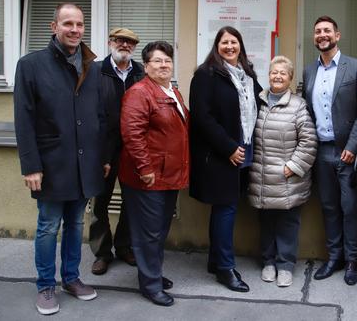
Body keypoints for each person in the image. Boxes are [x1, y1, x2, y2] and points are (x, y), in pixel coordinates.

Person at [14, 3, 105, 315]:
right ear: (54, 27)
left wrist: (102, 158)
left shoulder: (92, 66)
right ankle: (45, 286)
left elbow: (99, 116)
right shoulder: (31, 65)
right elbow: (23, 120)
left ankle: (71, 278)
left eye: (79, 24)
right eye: (68, 23)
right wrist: (31, 165)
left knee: (76, 223)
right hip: (51, 164)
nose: (75, 30)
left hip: (84, 165)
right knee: (48, 226)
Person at [190, 26, 261, 293]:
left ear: (240, 45)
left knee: (225, 208)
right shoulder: (206, 74)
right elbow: (202, 117)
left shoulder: (247, 75)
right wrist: (229, 147)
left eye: (234, 42)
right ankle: (225, 268)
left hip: (242, 149)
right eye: (224, 42)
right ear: (216, 46)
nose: (229, 47)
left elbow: (261, 100)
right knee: (226, 208)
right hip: (221, 154)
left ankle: (214, 260)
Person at [119, 41, 190, 307]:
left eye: (167, 61)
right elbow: (132, 134)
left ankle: (154, 274)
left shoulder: (173, 92)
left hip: (168, 174)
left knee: (159, 230)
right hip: (148, 177)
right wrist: (145, 168)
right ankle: (150, 285)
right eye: (157, 61)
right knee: (148, 232)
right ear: (146, 66)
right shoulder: (139, 93)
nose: (164, 65)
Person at [302, 16, 357, 285]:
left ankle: (353, 260)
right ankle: (335, 257)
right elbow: (307, 111)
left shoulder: (356, 68)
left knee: (350, 207)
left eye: (327, 30)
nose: (322, 35)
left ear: (337, 35)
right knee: (329, 207)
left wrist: (352, 147)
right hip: (321, 151)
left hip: (347, 152)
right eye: (317, 31)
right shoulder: (309, 71)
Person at [247, 56, 317, 288]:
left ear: (290, 78)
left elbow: (308, 142)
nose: (277, 76)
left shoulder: (298, 105)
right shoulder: (257, 102)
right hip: (262, 177)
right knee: (265, 223)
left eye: (283, 73)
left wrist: (293, 167)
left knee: (288, 223)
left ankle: (285, 265)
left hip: (288, 178)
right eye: (274, 72)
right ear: (268, 75)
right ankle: (268, 262)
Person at [89, 27, 144, 275]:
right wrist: (100, 155)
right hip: (104, 148)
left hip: (132, 148)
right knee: (100, 202)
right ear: (110, 42)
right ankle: (102, 252)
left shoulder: (141, 73)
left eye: (130, 43)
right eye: (120, 41)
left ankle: (124, 246)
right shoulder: (95, 71)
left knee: (132, 201)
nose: (125, 45)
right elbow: (90, 115)